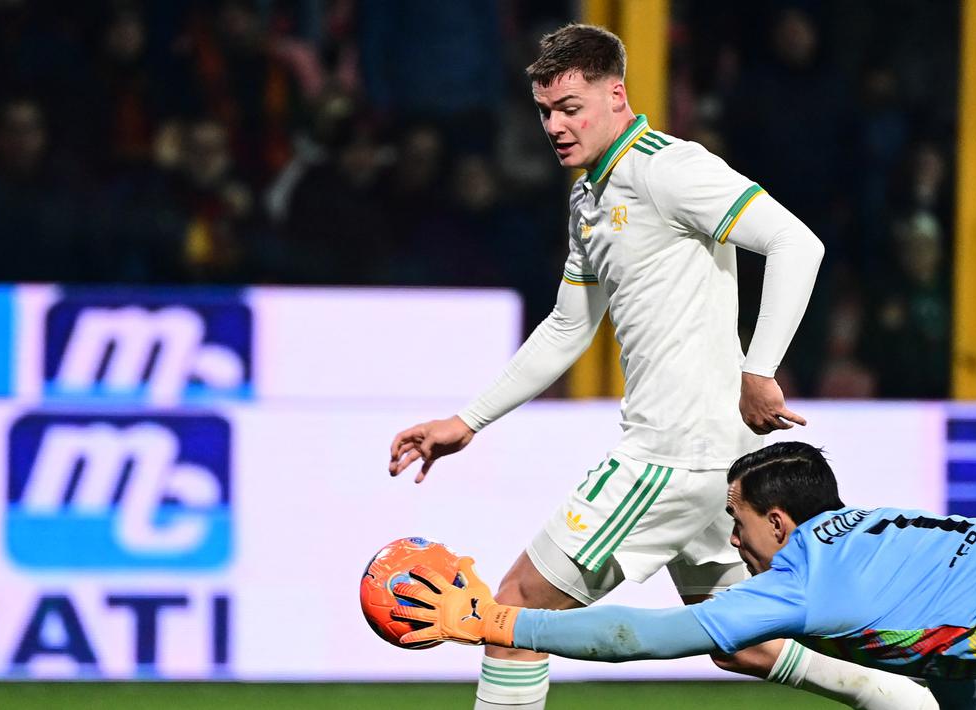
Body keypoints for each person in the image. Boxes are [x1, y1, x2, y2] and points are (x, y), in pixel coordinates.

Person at [388, 23, 939, 710]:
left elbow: (796, 243)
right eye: (545, 112)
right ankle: (908, 700)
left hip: (671, 455)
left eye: (570, 108)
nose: (555, 127)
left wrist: (759, 369)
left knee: (513, 611)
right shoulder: (589, 197)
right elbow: (568, 326)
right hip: (716, 461)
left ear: (616, 96)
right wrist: (467, 421)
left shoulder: (669, 168)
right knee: (742, 642)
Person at [392, 442, 976, 709]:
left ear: (777, 521)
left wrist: (497, 622)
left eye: (735, 520)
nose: (731, 540)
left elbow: (642, 635)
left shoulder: (801, 582)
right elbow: (945, 645)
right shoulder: (872, 528)